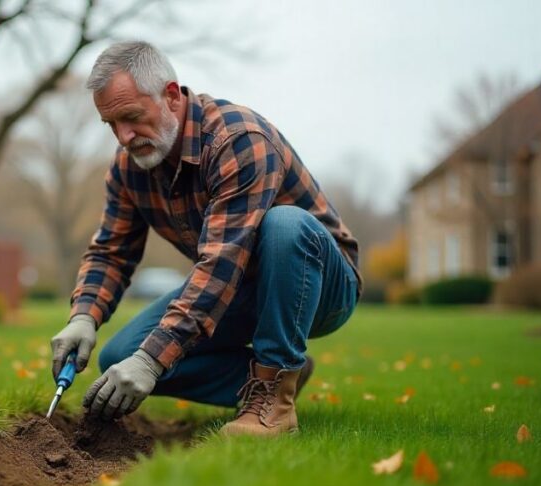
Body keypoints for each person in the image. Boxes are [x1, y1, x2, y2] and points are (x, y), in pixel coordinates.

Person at [50, 41, 362, 437]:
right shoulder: (130, 167)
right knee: (120, 356)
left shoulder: (238, 140)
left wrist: (152, 361)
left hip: (318, 284)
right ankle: (280, 378)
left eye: (130, 117)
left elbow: (220, 262)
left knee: (285, 224)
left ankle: (273, 400)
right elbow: (112, 251)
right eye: (111, 125)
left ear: (171, 95)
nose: (124, 137)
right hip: (238, 288)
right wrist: (84, 316)